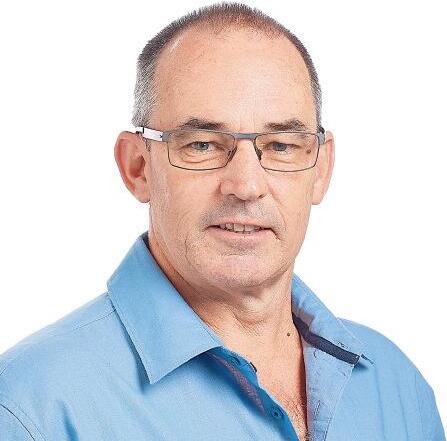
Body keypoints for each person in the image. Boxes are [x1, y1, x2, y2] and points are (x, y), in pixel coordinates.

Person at [0, 2, 444, 440]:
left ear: (321, 169)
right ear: (138, 167)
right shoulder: (32, 411)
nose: (246, 185)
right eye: (202, 145)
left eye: (282, 145)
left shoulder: (396, 388)